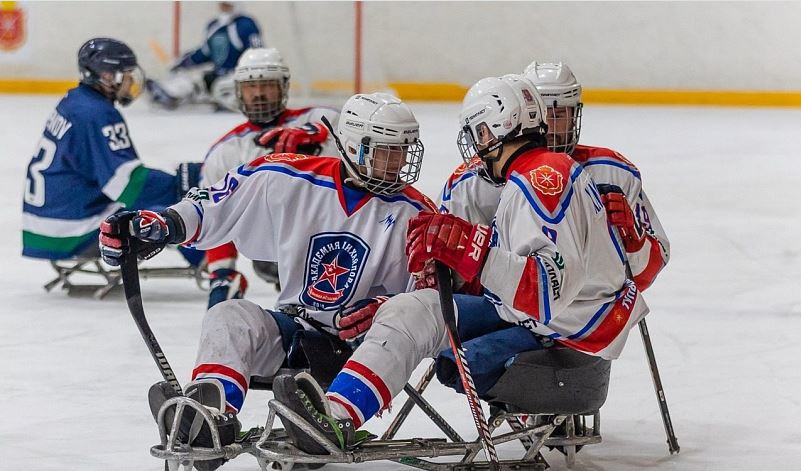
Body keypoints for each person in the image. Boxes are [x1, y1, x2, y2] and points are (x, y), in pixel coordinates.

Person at [270, 75, 649, 453]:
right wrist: (447, 269)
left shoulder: (540, 179)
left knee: (438, 341)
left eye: (478, 134)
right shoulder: (541, 172)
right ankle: (337, 414)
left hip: (565, 334)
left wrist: (473, 250)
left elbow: (546, 293)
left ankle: (335, 419)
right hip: (550, 322)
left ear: (492, 130)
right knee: (409, 309)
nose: (477, 148)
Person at [99, 92, 435, 464]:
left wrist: (384, 307)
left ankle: (333, 420)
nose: (400, 163)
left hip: (364, 351)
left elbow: (428, 303)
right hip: (296, 331)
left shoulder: (417, 213)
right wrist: (163, 224)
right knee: (230, 315)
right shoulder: (285, 177)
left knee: (399, 323)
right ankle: (212, 417)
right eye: (387, 151)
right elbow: (212, 206)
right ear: (354, 146)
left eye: (404, 151)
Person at [439, 63, 670, 291]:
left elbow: (648, 272)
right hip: (516, 308)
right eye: (541, 114)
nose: (549, 126)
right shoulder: (471, 183)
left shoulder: (613, 171)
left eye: (559, 114)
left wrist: (634, 238)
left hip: (591, 314)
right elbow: (450, 269)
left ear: (574, 115)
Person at [22, 37, 201, 262]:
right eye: (126, 76)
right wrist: (183, 182)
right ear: (108, 76)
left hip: (45, 223)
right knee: (176, 212)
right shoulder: (97, 114)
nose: (130, 83)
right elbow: (129, 185)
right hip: (70, 229)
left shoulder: (74, 101)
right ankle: (213, 266)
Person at [200, 47, 341, 309]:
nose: (259, 94)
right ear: (239, 91)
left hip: (337, 235)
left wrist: (320, 133)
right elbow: (215, 216)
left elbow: (355, 136)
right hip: (275, 251)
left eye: (267, 85)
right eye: (251, 87)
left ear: (284, 87)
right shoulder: (225, 152)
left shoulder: (318, 117)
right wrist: (222, 273)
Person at [146, 1, 263, 111]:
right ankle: (170, 94)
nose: (224, 8)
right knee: (193, 80)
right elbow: (205, 52)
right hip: (217, 75)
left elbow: (256, 52)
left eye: (228, 5)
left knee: (225, 88)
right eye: (222, 5)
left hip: (236, 76)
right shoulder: (214, 26)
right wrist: (184, 62)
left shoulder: (246, 24)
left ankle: (232, 100)